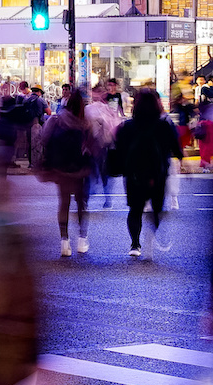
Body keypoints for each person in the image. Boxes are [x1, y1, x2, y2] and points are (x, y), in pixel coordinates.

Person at [110, 88, 183, 258]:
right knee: (157, 208)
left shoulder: (128, 126)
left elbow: (118, 148)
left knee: (135, 209)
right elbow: (176, 149)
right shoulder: (164, 125)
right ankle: (151, 233)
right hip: (158, 173)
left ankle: (135, 244)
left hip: (134, 174)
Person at [36, 91, 95, 257]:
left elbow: (44, 139)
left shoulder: (57, 119)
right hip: (80, 169)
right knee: (81, 203)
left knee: (64, 203)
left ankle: (64, 241)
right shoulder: (85, 123)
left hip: (61, 168)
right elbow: (92, 146)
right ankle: (82, 239)